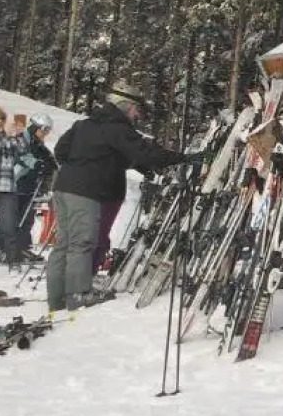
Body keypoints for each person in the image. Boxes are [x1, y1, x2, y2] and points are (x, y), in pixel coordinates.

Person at [49, 82, 193, 312]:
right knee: (82, 242)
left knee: (63, 243)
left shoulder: (84, 125)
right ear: (126, 106)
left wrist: (82, 166)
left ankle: (56, 297)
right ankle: (78, 293)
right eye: (137, 109)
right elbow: (147, 153)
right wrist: (184, 158)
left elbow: (61, 151)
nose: (138, 115)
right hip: (87, 191)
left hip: (63, 187)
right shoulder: (118, 128)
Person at [0, 106, 28, 271]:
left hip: (7, 189)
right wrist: (6, 136)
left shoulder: (8, 138)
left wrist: (20, 133)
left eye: (1, 119)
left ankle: (13, 262)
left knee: (10, 226)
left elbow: (23, 150)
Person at [13, 113, 58, 254]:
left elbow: (49, 158)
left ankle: (22, 248)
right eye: (44, 130)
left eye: (48, 131)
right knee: (13, 217)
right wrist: (38, 164)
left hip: (30, 186)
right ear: (35, 127)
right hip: (15, 184)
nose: (46, 133)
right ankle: (0, 247)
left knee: (27, 218)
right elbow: (22, 156)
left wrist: (52, 164)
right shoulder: (20, 139)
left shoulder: (38, 143)